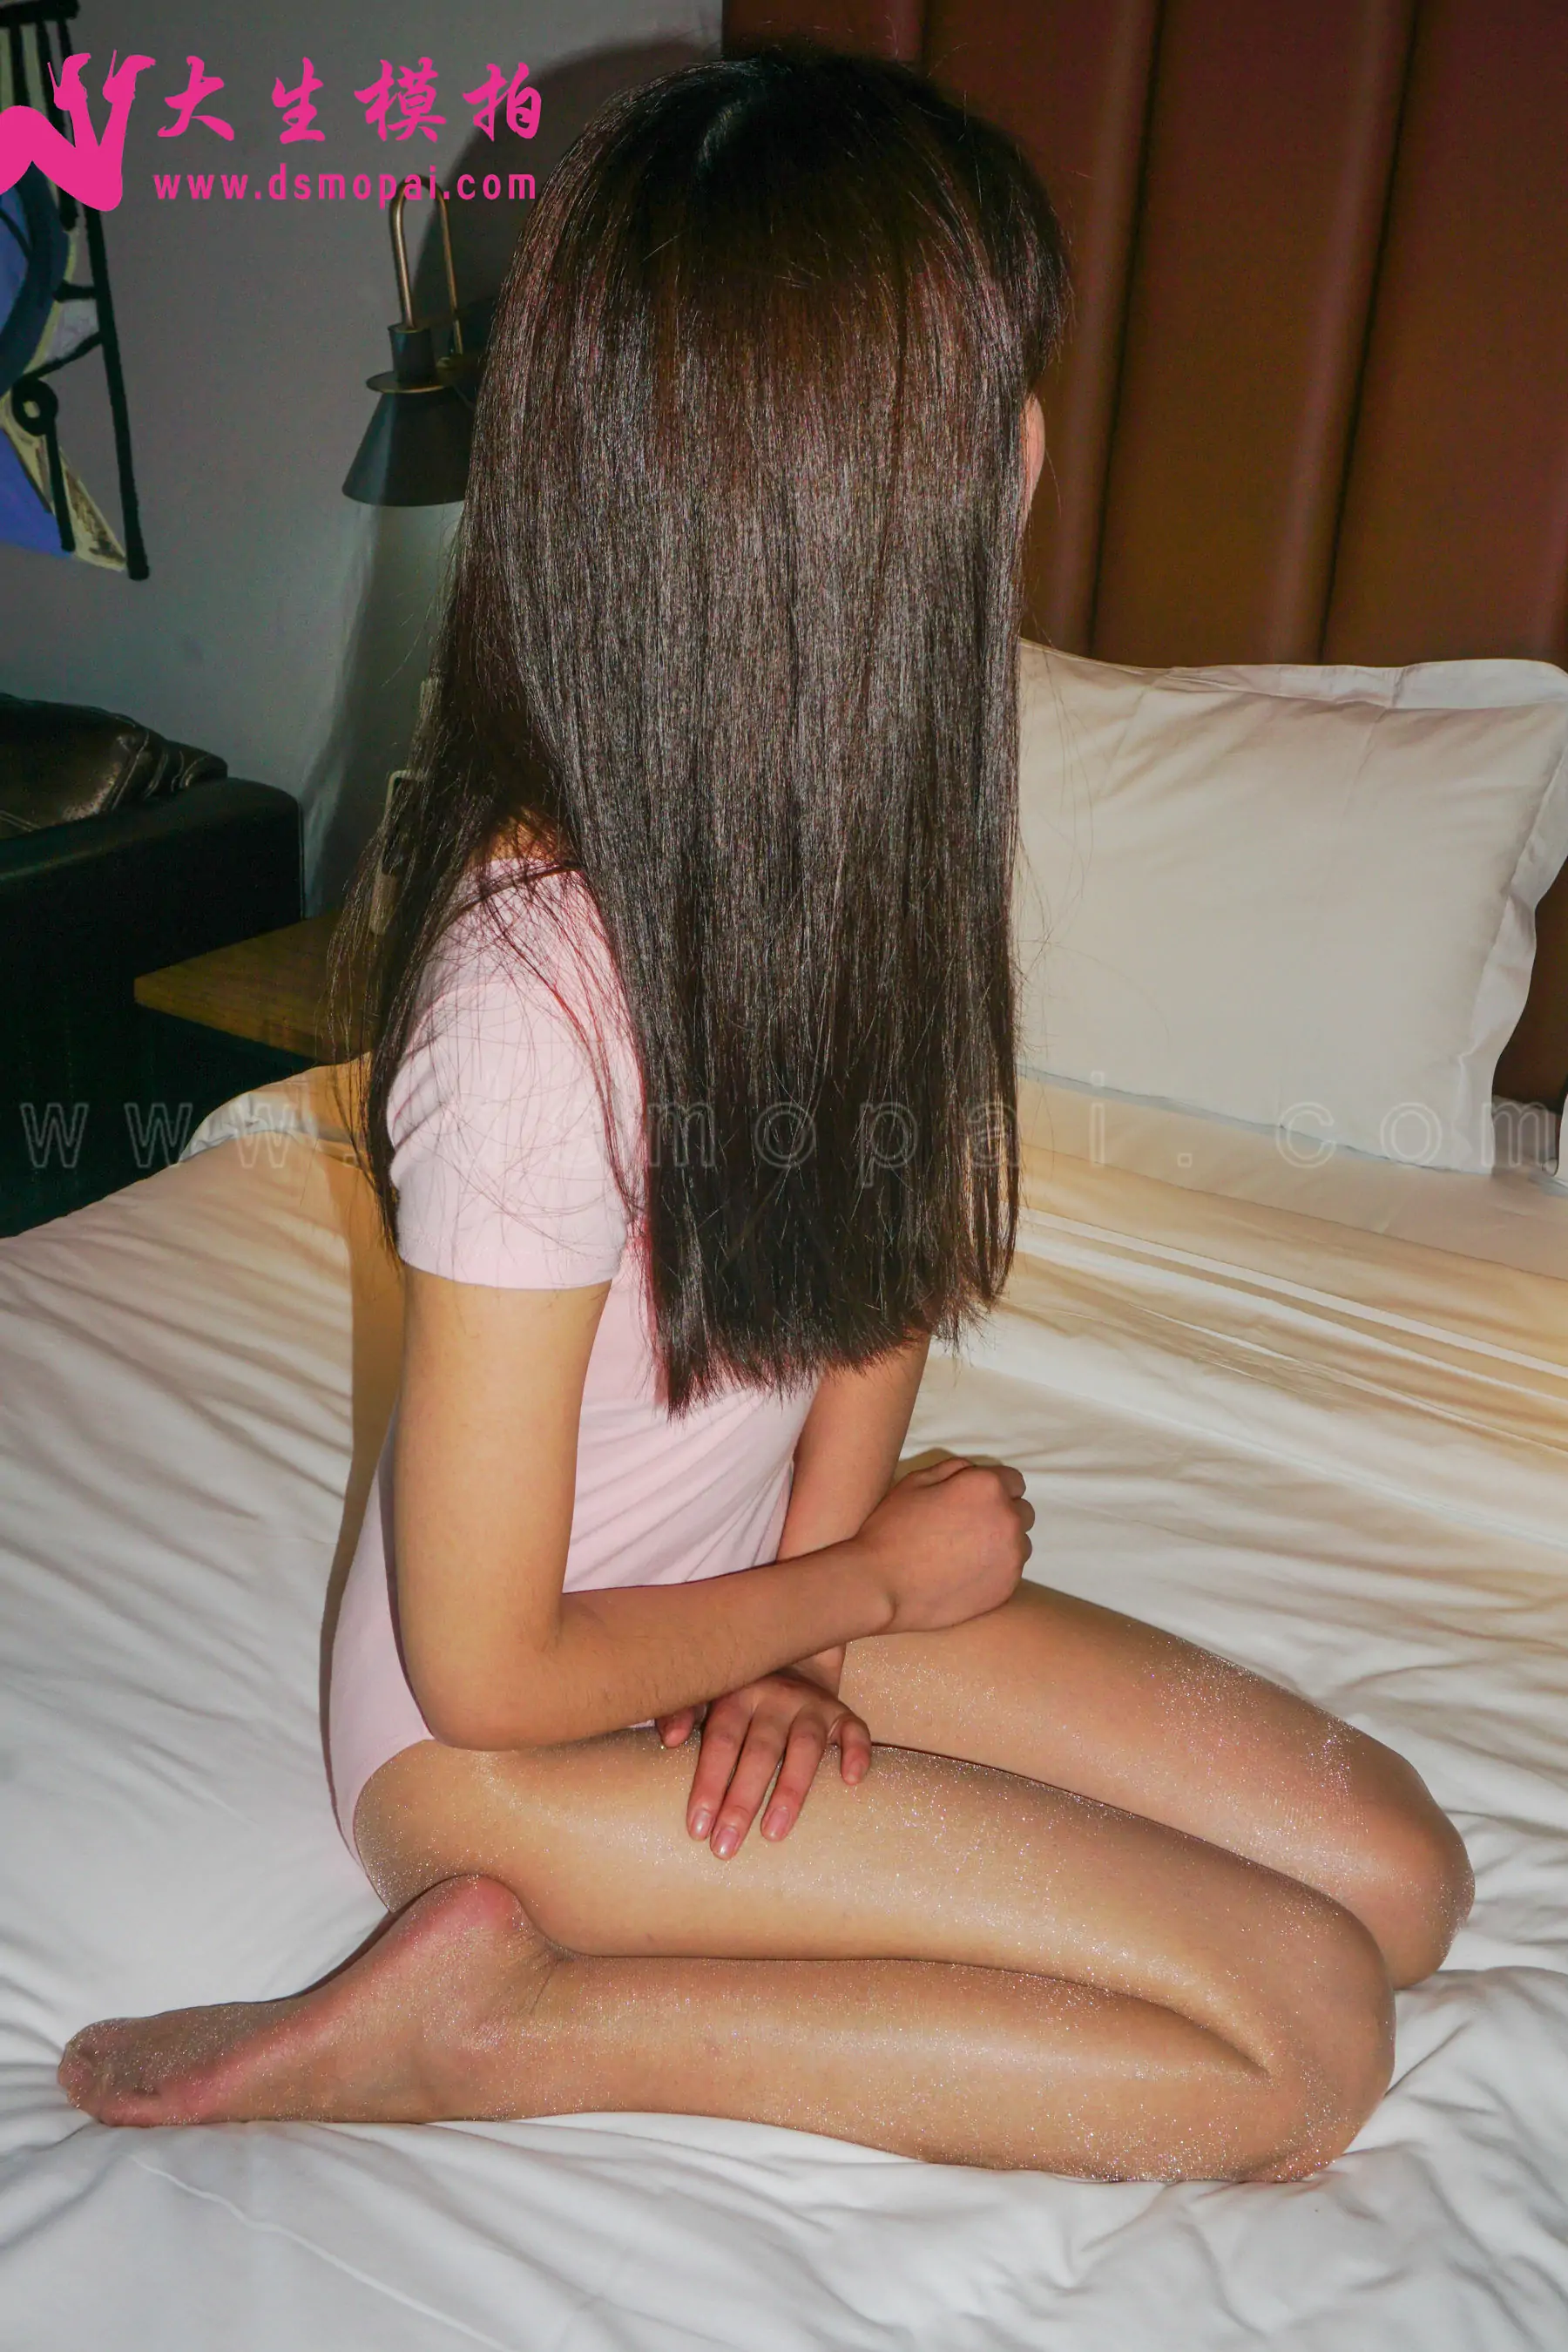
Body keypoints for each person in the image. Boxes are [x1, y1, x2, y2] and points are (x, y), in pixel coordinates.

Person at [58, 49, 1471, 2179]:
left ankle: (661, 1816)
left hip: (743, 1595)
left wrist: (809, 1617)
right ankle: (490, 2028)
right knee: (1310, 2039)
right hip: (487, 1743)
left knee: (1401, 1881)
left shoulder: (873, 834)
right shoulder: (528, 1005)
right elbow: (491, 1662)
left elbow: (876, 1266)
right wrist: (866, 1600)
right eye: (988, 398)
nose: (1031, 442)